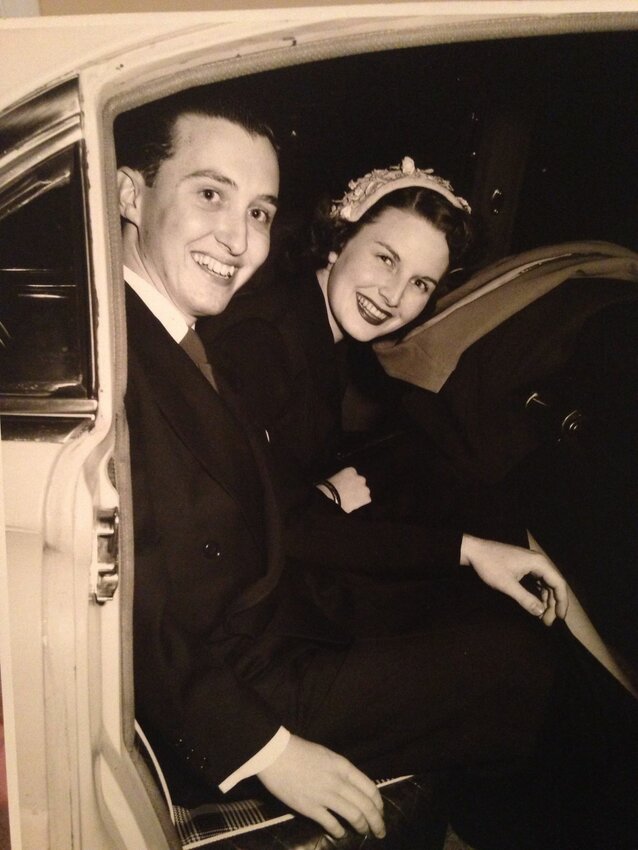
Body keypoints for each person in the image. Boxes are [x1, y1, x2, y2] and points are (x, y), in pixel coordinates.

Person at [116, 93, 636, 849]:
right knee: (515, 661)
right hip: (247, 679)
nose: (238, 237)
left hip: (268, 622)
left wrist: (448, 532)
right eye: (209, 195)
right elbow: (146, 609)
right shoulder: (164, 356)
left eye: (259, 211)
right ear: (131, 193)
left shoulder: (179, 331)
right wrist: (270, 749)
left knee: (496, 608)